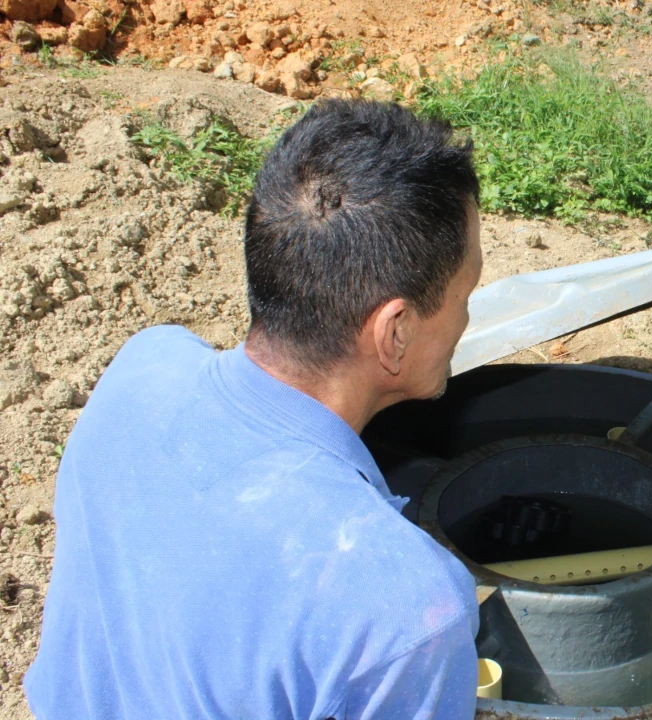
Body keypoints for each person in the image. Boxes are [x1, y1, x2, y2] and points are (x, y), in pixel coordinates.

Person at [25, 100, 484, 719]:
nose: (468, 317)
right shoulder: (404, 610)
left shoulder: (141, 368)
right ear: (393, 332)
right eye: (468, 291)